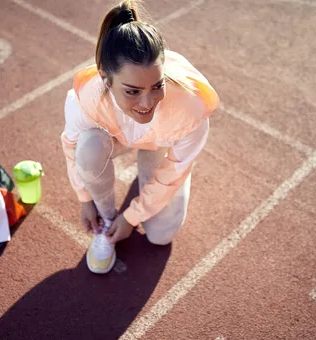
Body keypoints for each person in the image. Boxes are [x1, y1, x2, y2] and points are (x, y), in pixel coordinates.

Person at [60, 0, 219, 274]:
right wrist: (85, 197)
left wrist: (132, 217)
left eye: (158, 86)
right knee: (88, 149)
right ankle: (108, 221)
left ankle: (158, 159)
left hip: (161, 140)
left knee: (160, 235)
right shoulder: (86, 99)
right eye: (132, 91)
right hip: (115, 134)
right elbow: (70, 145)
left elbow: (174, 169)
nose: (147, 102)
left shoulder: (190, 110)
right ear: (105, 78)